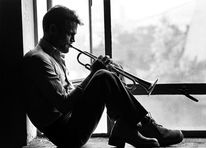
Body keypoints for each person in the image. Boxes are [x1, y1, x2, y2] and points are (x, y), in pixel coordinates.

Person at [22, 5, 183, 148]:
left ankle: (125, 127)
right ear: (52, 30)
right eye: (69, 34)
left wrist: (108, 74)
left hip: (71, 124)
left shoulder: (53, 57)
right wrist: (94, 74)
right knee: (102, 76)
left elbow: (71, 96)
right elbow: (64, 105)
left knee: (110, 72)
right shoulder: (38, 59)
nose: (73, 40)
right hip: (67, 135)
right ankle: (148, 127)